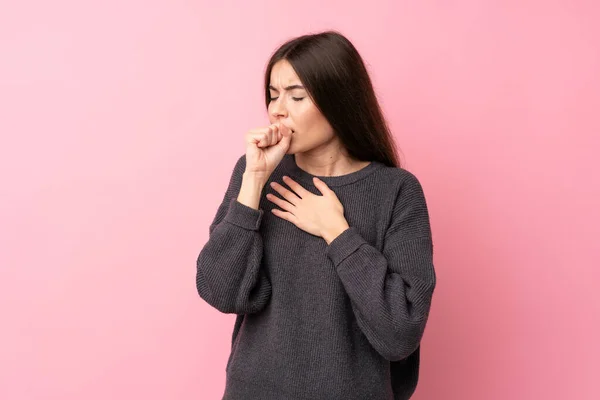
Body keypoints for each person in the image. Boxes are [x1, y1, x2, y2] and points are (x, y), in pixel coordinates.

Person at [196, 30, 436, 400]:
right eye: (273, 95)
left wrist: (338, 233)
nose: (277, 109)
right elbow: (221, 291)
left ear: (339, 101)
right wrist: (254, 182)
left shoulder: (396, 191)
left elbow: (399, 332)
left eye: (296, 96)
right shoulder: (256, 174)